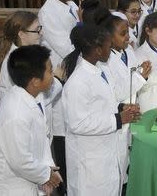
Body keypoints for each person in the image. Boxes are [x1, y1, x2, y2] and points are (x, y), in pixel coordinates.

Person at [62, 24, 140, 196]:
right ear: (97, 49)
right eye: (108, 45)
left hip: (106, 154)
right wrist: (119, 119)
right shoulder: (78, 82)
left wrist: (121, 108)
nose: (110, 49)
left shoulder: (100, 70)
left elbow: (101, 103)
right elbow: (79, 123)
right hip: (90, 163)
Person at [0, 45, 63, 195]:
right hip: (13, 189)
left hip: (31, 182)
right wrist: (46, 175)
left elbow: (42, 138)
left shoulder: (35, 96)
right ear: (35, 81)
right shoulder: (15, 114)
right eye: (50, 71)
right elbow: (20, 161)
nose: (53, 75)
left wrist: (47, 169)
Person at [98, 14, 151, 191]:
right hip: (117, 119)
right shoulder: (105, 61)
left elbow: (133, 78)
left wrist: (140, 72)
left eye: (127, 32)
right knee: (116, 171)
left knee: (127, 165)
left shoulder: (128, 52)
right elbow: (117, 91)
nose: (128, 37)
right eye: (122, 34)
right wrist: (140, 77)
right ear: (109, 37)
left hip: (131, 116)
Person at [0, 11, 63, 144]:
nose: (41, 34)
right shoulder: (15, 64)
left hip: (37, 132)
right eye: (36, 30)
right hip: (25, 134)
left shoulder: (29, 56)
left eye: (40, 29)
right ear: (21, 34)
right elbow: (35, 99)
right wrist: (57, 80)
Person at [37, 0, 78, 195]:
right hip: (61, 79)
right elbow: (68, 49)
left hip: (72, 79)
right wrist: (82, 31)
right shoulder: (47, 13)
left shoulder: (71, 6)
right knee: (62, 147)